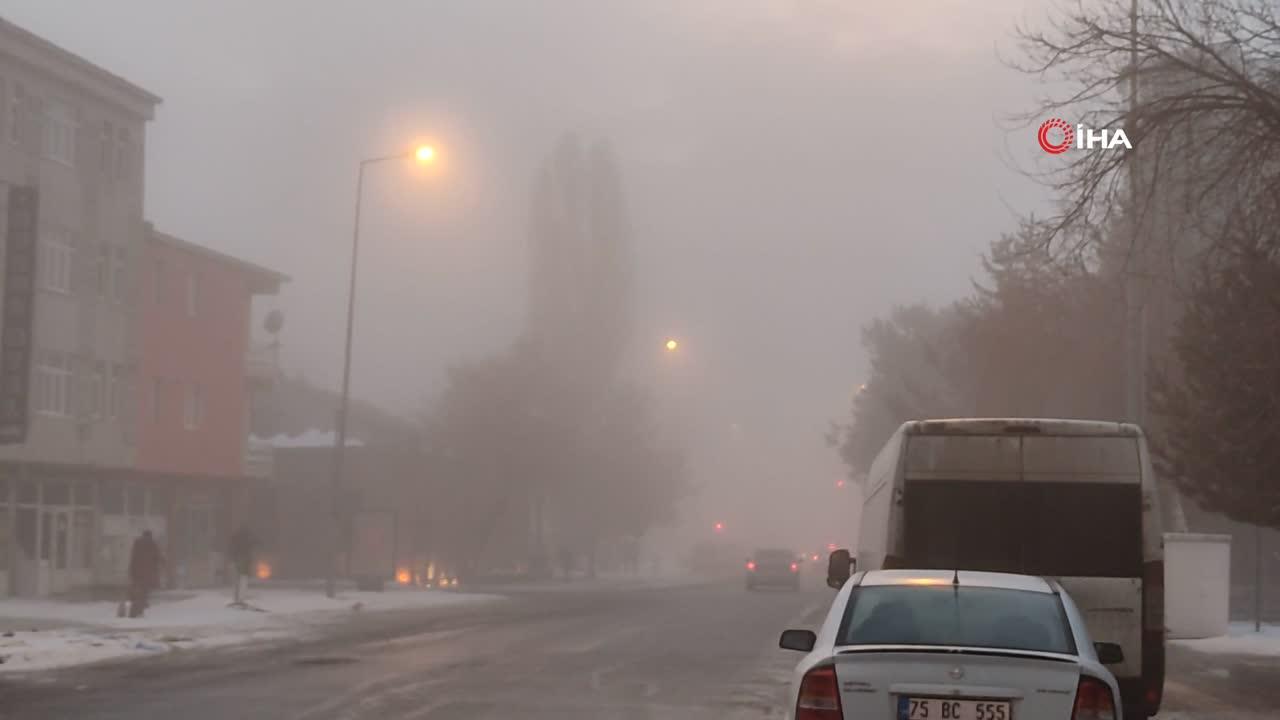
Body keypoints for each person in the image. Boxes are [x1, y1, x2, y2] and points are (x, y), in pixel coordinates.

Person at [127, 530, 164, 618]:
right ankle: (139, 612)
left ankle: (133, 612)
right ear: (150, 536)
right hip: (148, 575)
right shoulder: (152, 544)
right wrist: (163, 563)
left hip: (137, 574)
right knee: (143, 594)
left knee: (136, 593)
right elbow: (158, 557)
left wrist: (131, 572)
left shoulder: (137, 544)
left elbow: (133, 558)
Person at [228, 526, 258, 604]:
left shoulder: (235, 538)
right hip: (244, 560)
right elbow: (255, 544)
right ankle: (240, 598)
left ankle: (237, 598)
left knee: (237, 580)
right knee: (243, 579)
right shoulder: (248, 539)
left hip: (237, 559)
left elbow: (231, 548)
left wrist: (232, 558)